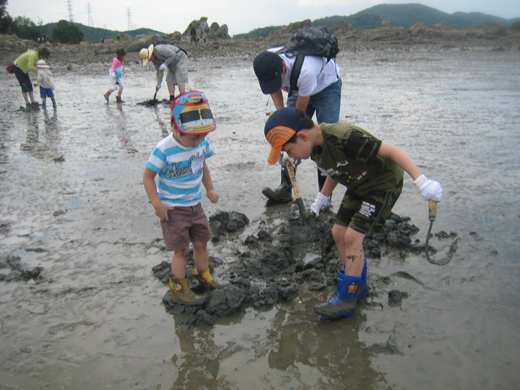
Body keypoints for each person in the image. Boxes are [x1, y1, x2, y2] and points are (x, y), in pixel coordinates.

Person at [263, 107, 443, 319]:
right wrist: (321, 199)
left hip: (383, 182)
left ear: (302, 136)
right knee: (338, 232)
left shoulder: (345, 137)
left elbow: (393, 151)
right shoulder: (316, 149)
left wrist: (422, 182)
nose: (290, 156)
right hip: (358, 183)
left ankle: (347, 299)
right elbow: (336, 170)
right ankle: (358, 286)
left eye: (289, 150)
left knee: (353, 236)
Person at [143, 91, 222, 305]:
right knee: (181, 250)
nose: (199, 140)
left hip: (195, 205)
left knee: (201, 243)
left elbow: (203, 165)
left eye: (203, 136)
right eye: (194, 136)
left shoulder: (201, 143)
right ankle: (179, 288)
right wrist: (157, 204)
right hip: (172, 209)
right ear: (177, 127)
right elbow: (148, 177)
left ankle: (203, 275)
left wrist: (210, 189)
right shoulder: (163, 149)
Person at [253, 49, 342, 207]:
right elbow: (280, 106)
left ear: (283, 67)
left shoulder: (305, 71)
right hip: (298, 88)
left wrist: (288, 129)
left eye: (277, 80)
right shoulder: (267, 63)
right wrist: (281, 122)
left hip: (327, 87)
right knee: (285, 135)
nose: (276, 85)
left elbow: (297, 118)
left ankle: (325, 196)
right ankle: (285, 188)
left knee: (325, 140)